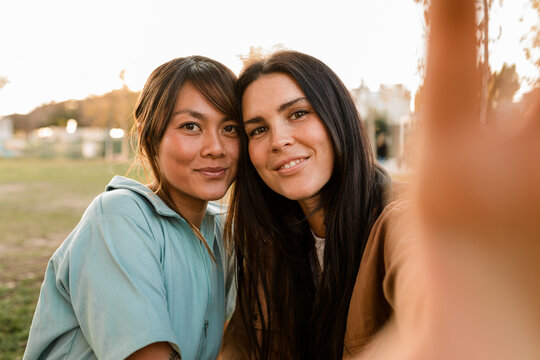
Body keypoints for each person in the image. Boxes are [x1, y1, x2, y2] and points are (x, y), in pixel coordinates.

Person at [23, 56, 239, 360]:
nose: (216, 147)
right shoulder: (118, 216)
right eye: (191, 126)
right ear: (149, 134)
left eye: (230, 128)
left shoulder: (221, 232)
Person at [220, 50, 410, 359]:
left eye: (298, 113)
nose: (278, 140)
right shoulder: (266, 250)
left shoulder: (403, 219)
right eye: (258, 129)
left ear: (337, 116)